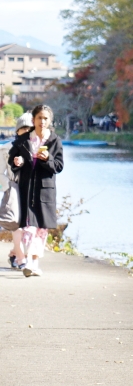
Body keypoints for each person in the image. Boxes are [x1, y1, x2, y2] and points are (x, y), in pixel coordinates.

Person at [9, 105, 62, 278]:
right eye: (39, 118)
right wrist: (17, 162)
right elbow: (13, 160)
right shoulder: (23, 140)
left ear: (50, 121)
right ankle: (29, 263)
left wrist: (48, 160)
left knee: (41, 229)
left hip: (45, 191)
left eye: (46, 118)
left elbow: (59, 167)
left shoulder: (54, 141)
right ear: (33, 120)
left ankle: (34, 263)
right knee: (28, 227)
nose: (42, 121)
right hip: (26, 189)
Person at [5, 112, 32, 269]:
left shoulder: (36, 147)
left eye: (30, 129)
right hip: (14, 190)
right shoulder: (8, 149)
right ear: (17, 130)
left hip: (31, 190)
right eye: (24, 128)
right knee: (17, 224)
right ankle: (21, 258)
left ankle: (15, 253)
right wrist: (8, 186)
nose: (27, 132)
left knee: (29, 226)